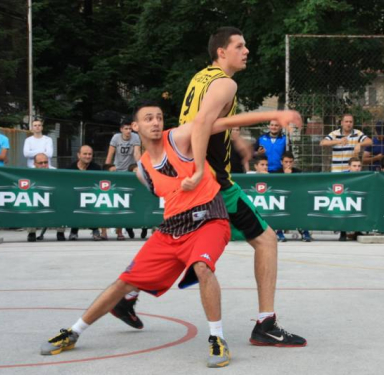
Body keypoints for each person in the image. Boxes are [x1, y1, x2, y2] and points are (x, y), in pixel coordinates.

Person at [40, 101, 303, 367]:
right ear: (135, 126)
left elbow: (222, 123)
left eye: (159, 117)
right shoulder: (142, 169)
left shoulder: (178, 138)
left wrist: (274, 114)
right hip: (172, 229)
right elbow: (166, 194)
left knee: (202, 266)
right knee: (123, 283)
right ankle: (73, 331)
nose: (155, 122)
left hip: (210, 219)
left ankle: (217, 338)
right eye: (148, 119)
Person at [174, 26, 305, 347]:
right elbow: (203, 124)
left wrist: (237, 141)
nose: (246, 51)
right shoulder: (226, 83)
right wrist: (204, 167)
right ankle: (266, 324)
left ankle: (128, 294)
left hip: (184, 171)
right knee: (267, 240)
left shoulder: (200, 78)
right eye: (240, 46)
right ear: (222, 52)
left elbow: (206, 119)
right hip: (213, 180)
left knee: (175, 244)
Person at [106, 118, 142, 239]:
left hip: (130, 171)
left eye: (130, 129)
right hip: (117, 170)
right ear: (121, 129)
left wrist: (140, 168)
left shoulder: (135, 137)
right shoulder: (116, 138)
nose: (128, 131)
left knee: (130, 199)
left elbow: (137, 153)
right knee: (116, 200)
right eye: (126, 128)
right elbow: (110, 154)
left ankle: (129, 226)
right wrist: (107, 169)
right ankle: (118, 230)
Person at [26, 153, 65, 242]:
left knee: (62, 203)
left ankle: (60, 232)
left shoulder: (56, 172)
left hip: (53, 198)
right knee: (30, 203)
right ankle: (31, 233)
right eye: (40, 163)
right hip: (36, 199)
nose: (44, 165)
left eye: (45, 162)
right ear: (34, 164)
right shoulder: (29, 174)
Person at [67, 145, 103, 241]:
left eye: (90, 154)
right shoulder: (70, 168)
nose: (88, 156)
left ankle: (95, 230)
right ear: (79, 155)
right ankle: (74, 231)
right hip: (74, 196)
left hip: (92, 196)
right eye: (85, 154)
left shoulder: (97, 168)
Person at [275, 151, 312, 242]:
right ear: (281, 162)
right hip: (281, 199)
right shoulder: (276, 173)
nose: (288, 164)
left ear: (293, 162)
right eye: (286, 162)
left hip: (295, 198)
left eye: (290, 162)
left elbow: (302, 186)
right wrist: (286, 176)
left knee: (303, 206)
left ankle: (304, 230)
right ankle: (279, 231)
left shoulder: (298, 172)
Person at [339, 157, 363, 241]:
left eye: (359, 166)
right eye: (354, 166)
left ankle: (358, 231)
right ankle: (343, 232)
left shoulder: (365, 176)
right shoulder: (342, 175)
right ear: (349, 167)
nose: (357, 168)